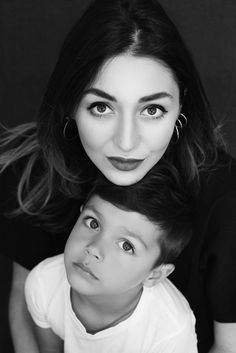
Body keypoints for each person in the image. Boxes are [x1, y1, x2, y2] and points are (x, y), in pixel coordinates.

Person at [0, 0, 236, 352]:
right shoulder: (34, 170)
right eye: (101, 107)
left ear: (180, 108)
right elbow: (25, 297)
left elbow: (228, 344)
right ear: (71, 105)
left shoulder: (224, 199)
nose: (126, 142)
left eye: (152, 109)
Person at [25, 166, 197, 353]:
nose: (94, 249)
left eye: (126, 246)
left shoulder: (170, 333)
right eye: (93, 223)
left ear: (154, 274)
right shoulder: (43, 283)